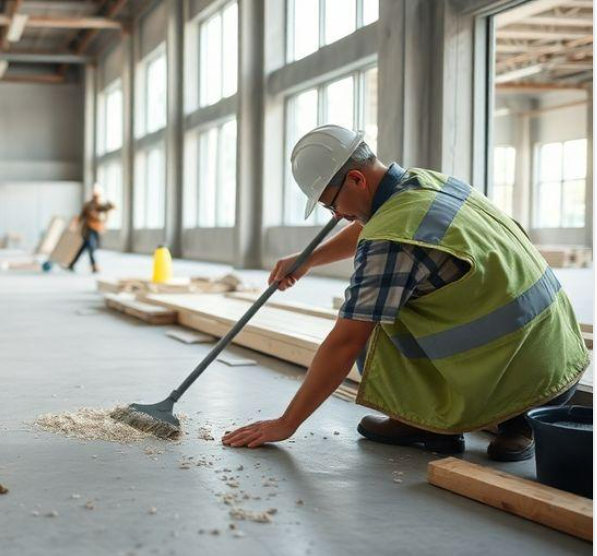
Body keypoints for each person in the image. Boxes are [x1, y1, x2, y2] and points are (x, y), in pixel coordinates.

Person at [222, 125, 589, 461]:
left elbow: (344, 343)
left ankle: (490, 420)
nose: (336, 215)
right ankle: (444, 423)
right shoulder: (424, 183)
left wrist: (287, 423)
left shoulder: (390, 239)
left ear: (355, 179)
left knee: (368, 319)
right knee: (380, 301)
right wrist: (308, 260)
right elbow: (377, 224)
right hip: (559, 356)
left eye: (330, 203)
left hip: (528, 383)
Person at [68, 187, 115, 274]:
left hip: (95, 230)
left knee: (83, 249)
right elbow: (82, 216)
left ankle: (71, 264)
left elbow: (106, 208)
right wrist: (74, 225)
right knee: (91, 248)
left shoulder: (98, 205)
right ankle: (94, 266)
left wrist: (109, 206)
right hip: (88, 230)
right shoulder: (88, 206)